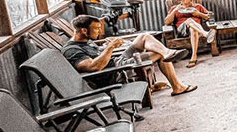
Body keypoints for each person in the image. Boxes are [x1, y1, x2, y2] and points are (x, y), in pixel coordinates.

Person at [63, 15, 197, 97]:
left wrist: (105, 46)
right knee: (158, 54)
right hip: (115, 71)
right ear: (84, 30)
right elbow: (94, 67)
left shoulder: (84, 41)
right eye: (96, 29)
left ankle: (168, 52)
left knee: (143, 37)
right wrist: (110, 47)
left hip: (116, 61)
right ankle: (177, 87)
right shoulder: (72, 51)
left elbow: (96, 54)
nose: (99, 31)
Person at [164, 0, 217, 68]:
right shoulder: (175, 8)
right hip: (182, 31)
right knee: (189, 20)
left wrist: (199, 14)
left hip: (196, 30)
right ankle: (205, 34)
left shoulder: (198, 7)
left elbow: (210, 17)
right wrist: (175, 10)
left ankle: (194, 56)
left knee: (193, 29)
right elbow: (167, 22)